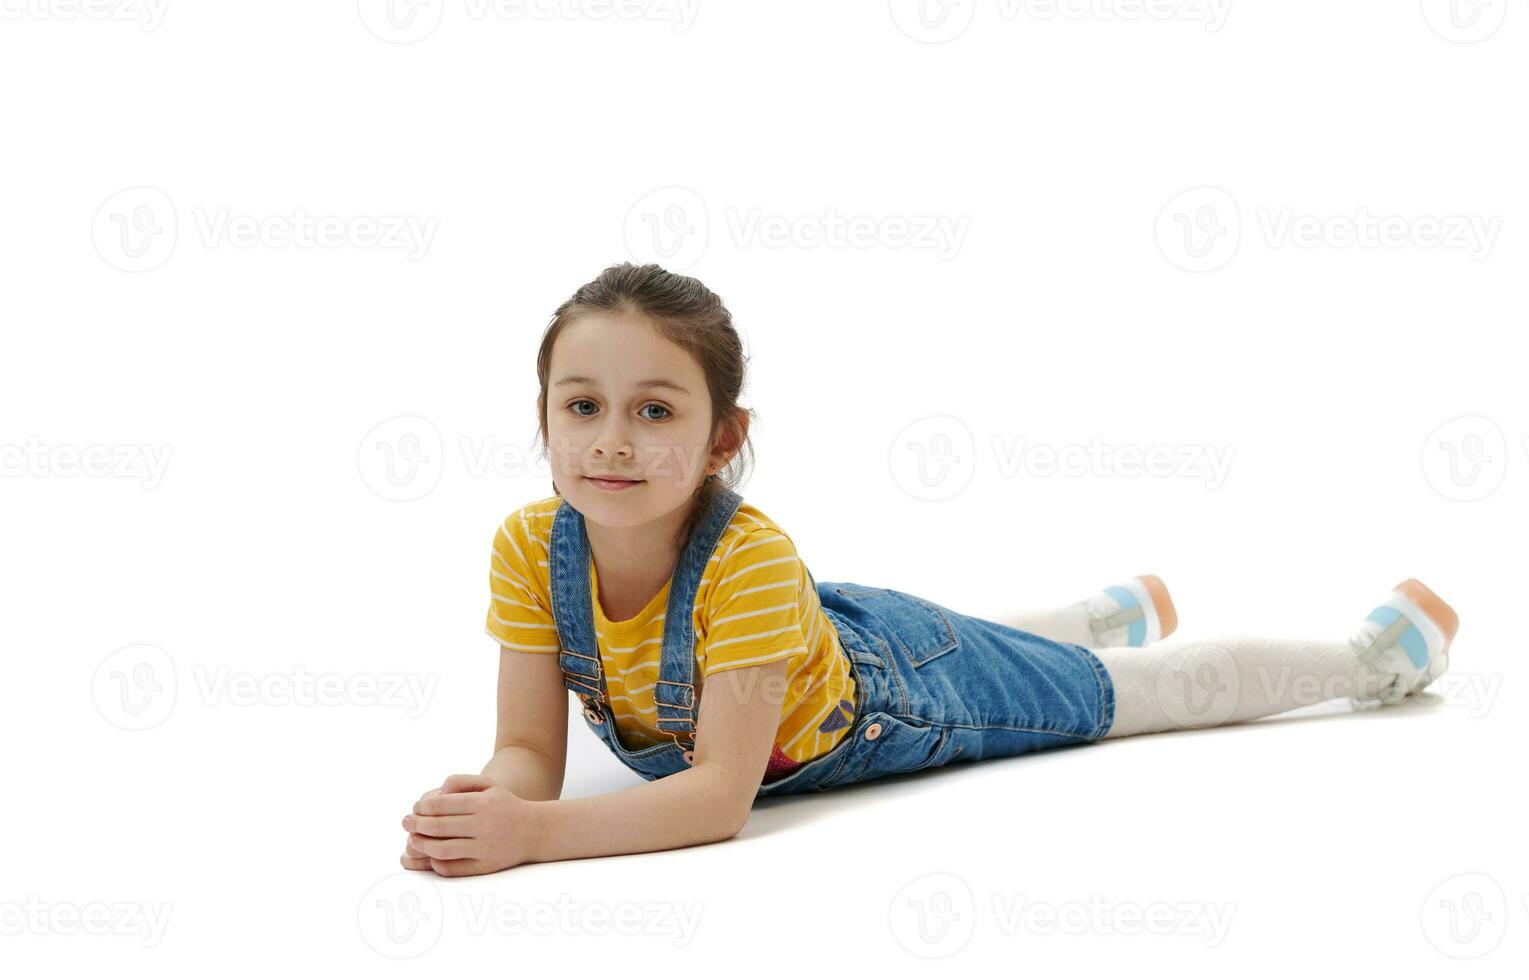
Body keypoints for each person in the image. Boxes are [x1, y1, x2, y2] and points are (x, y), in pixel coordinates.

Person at [399, 262, 1459, 877]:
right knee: (964, 627)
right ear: (542, 417)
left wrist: (534, 837)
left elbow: (720, 795)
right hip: (818, 640)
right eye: (581, 404)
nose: (611, 440)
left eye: (655, 409)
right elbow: (528, 745)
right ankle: (1099, 609)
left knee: (1124, 698)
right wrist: (485, 801)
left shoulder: (750, 561)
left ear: (724, 438)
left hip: (892, 702)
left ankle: (1367, 660)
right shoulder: (527, 546)